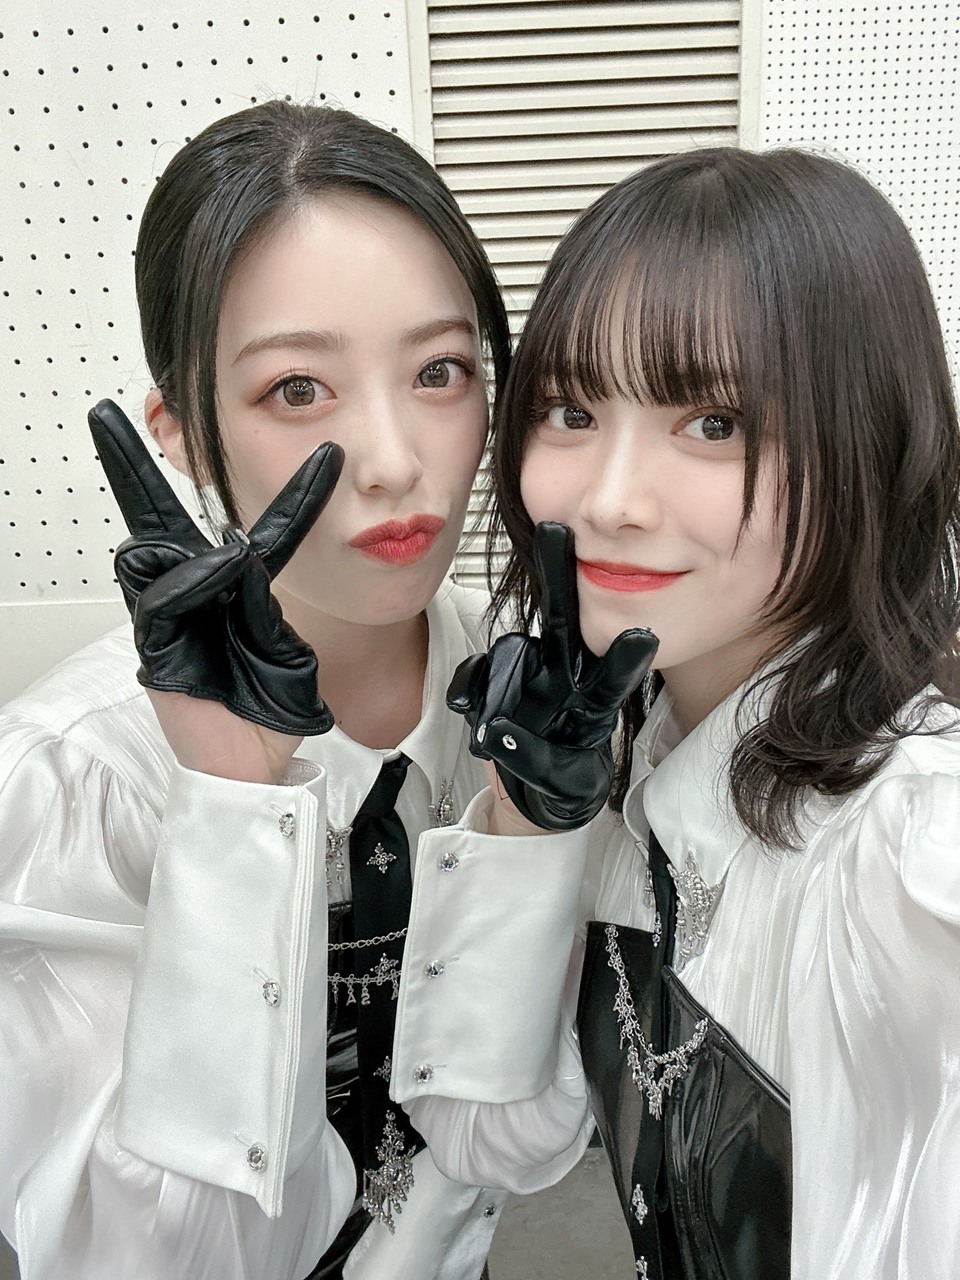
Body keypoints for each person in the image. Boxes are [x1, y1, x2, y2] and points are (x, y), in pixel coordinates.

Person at [395, 148, 960, 1279]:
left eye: (714, 423)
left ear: (869, 438)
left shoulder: (909, 855)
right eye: (571, 410)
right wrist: (524, 825)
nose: (608, 499)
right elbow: (495, 1138)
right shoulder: (643, 756)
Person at [0, 97, 525, 1280]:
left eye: (440, 370)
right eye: (298, 388)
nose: (395, 459)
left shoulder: (525, 698)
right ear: (181, 433)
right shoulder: (70, 784)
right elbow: (144, 1258)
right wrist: (231, 811)